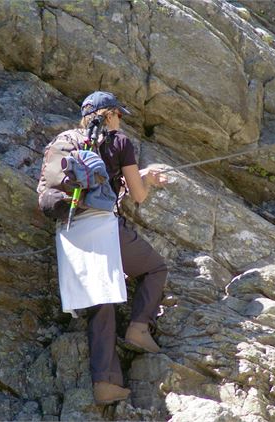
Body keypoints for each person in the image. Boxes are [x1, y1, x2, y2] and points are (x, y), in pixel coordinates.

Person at [38, 91, 168, 405]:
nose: (120, 120)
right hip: (102, 226)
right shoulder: (119, 142)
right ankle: (139, 327)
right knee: (155, 268)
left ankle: (106, 383)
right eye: (118, 114)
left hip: (69, 230)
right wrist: (147, 180)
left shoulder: (64, 142)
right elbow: (137, 195)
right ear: (108, 114)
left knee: (102, 303)